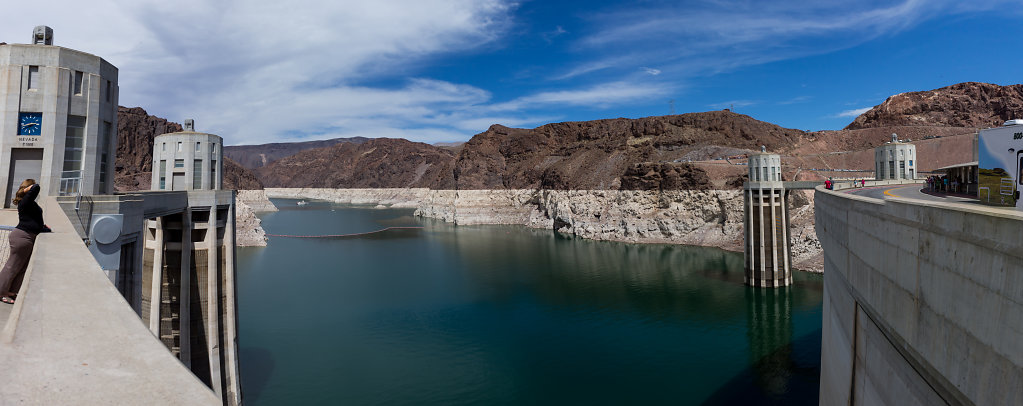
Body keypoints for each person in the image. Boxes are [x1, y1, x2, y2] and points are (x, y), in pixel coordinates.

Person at [0, 180, 45, 304]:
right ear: (27, 188)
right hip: (22, 237)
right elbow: (36, 187)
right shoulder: (25, 201)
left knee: (22, 267)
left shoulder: (29, 203)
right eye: (30, 185)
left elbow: (33, 219)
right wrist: (29, 187)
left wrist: (43, 227)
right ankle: (1, 292)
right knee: (12, 266)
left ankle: (11, 291)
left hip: (27, 236)